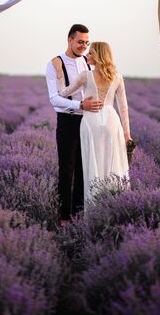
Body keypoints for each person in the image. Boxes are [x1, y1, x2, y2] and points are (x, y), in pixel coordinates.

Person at [52, 41, 132, 203]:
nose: (87, 55)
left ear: (98, 56)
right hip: (112, 121)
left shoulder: (86, 76)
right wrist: (127, 135)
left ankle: (93, 205)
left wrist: (59, 71)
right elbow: (124, 109)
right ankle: (114, 203)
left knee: (92, 163)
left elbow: (63, 92)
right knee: (112, 162)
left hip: (91, 121)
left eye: (90, 53)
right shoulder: (117, 77)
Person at [46, 24, 103, 225]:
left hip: (89, 121)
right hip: (68, 121)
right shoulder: (56, 63)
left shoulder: (89, 65)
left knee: (84, 168)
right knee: (67, 169)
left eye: (87, 43)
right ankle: (63, 217)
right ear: (69, 40)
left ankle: (78, 215)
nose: (83, 46)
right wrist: (80, 104)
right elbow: (54, 98)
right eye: (80, 42)